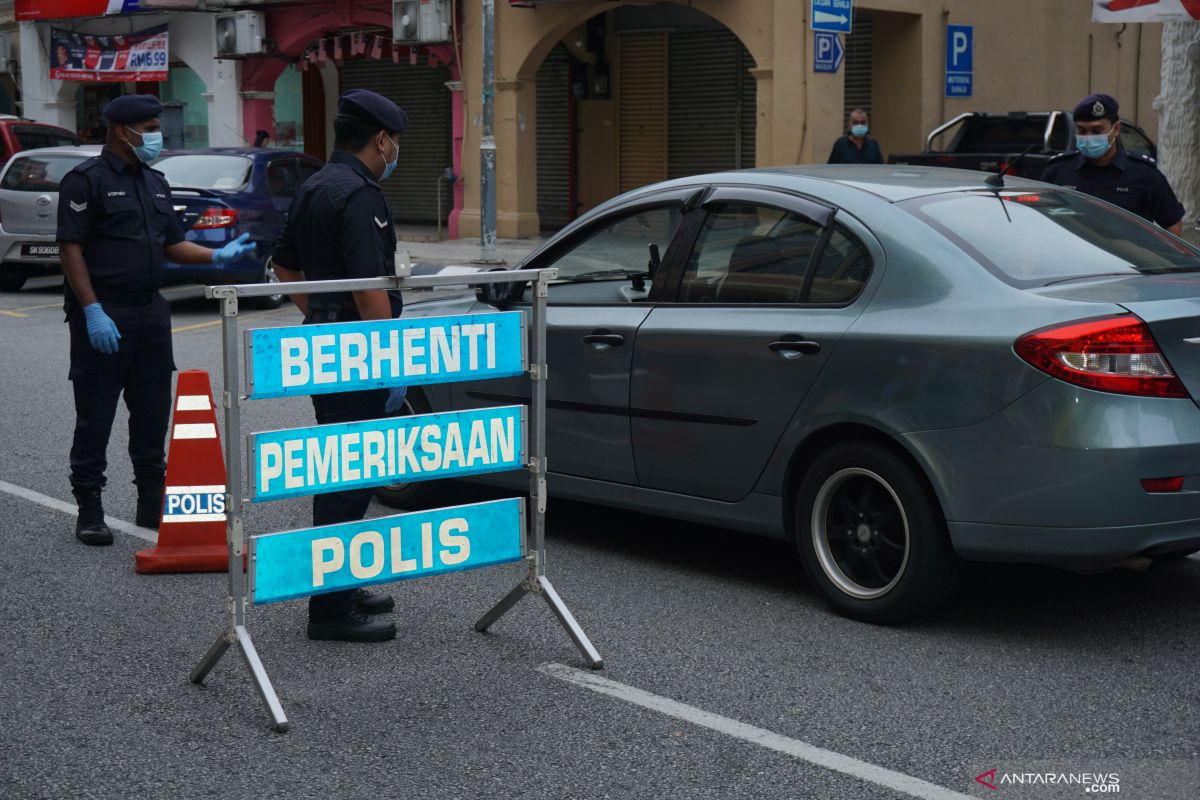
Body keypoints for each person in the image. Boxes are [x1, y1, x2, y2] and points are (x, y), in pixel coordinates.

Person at [56, 95, 258, 546]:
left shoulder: (156, 182)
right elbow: (71, 249)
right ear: (122, 131)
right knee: (96, 414)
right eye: (148, 126)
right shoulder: (84, 181)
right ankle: (89, 506)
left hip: (151, 311)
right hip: (105, 310)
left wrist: (217, 255)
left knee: (150, 413)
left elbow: (173, 245)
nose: (155, 134)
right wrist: (91, 310)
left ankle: (151, 500)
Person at [271, 89, 407, 643]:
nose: (394, 151)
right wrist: (391, 361)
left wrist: (323, 314)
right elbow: (371, 288)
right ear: (380, 140)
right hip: (360, 356)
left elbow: (283, 265)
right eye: (394, 142)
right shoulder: (359, 194)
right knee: (349, 480)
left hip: (325, 345)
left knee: (340, 470)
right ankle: (329, 611)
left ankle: (341, 581)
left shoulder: (314, 185)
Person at [1040, 93, 1185, 236]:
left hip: (1126, 257)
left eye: (1097, 130)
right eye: (1082, 130)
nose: (1089, 137)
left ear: (1116, 129)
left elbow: (1173, 225)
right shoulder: (1058, 171)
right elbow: (1040, 220)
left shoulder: (1143, 173)